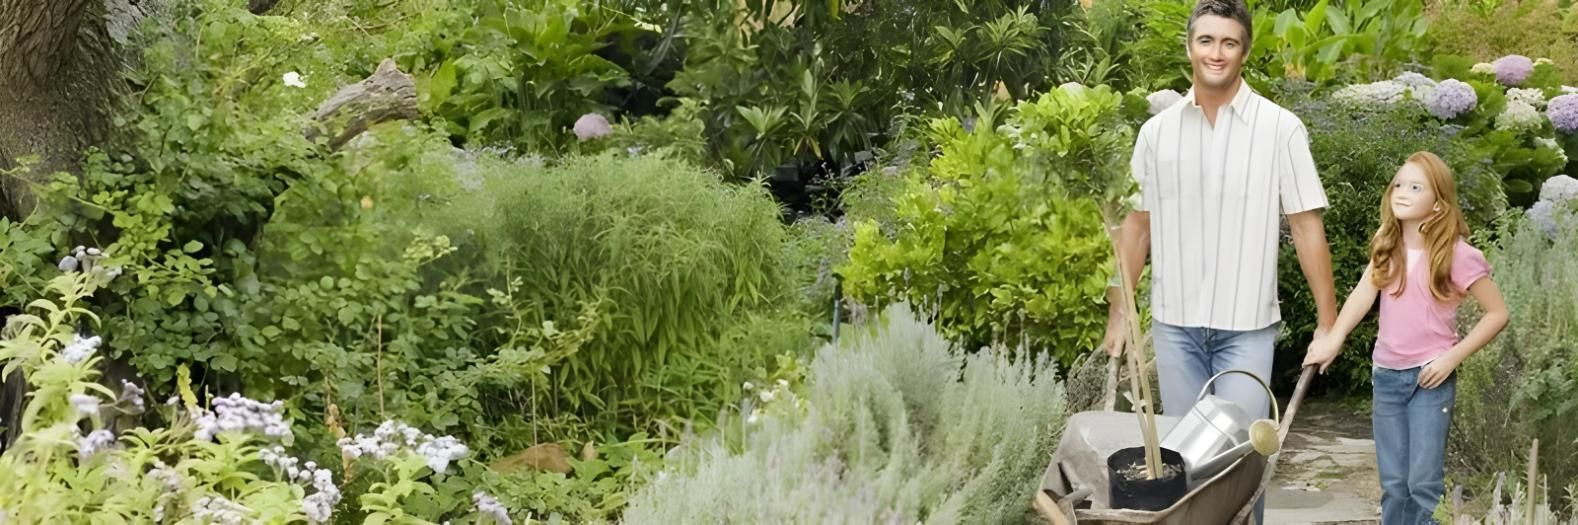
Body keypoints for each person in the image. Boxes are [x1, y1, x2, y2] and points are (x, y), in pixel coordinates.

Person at [1104, 0, 1338, 519]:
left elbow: (1306, 226)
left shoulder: (1281, 129)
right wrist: (1119, 311)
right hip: (1175, 328)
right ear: (1189, 47)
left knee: (1238, 466)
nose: (1216, 52)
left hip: (1247, 329)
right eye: (1206, 41)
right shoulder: (1156, 134)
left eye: (1229, 42)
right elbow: (1136, 228)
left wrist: (1328, 324)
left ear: (1245, 51)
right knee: (1182, 468)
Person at [1303, 151, 1509, 525]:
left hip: (1429, 379)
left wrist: (1450, 359)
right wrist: (1333, 338)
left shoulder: (1458, 255)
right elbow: (1364, 294)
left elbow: (1498, 314)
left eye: (1416, 187)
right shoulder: (1387, 243)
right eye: (1398, 184)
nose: (1402, 192)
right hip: (1387, 376)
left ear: (1438, 204)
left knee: (1423, 483)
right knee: (1395, 483)